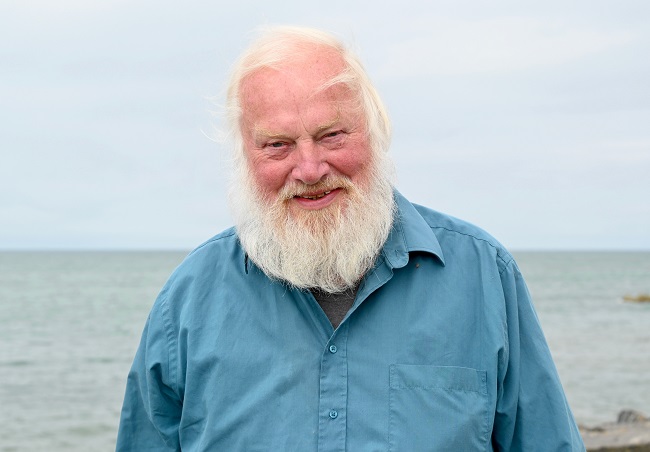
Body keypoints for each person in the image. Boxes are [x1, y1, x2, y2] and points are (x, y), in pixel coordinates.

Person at [116, 26, 585, 451]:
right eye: (277, 144)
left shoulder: (484, 276)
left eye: (331, 135)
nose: (310, 169)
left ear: (375, 130)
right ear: (244, 155)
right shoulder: (186, 302)